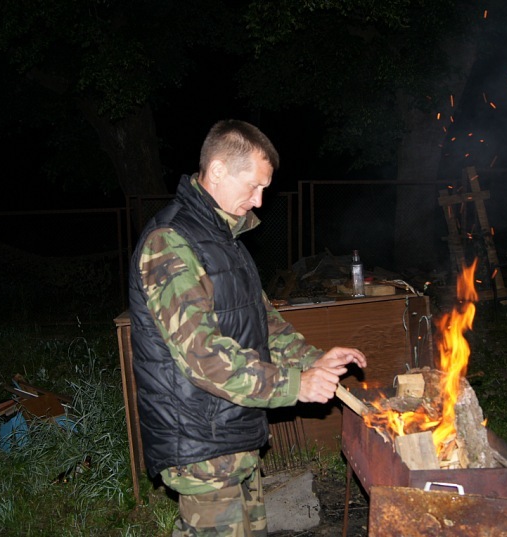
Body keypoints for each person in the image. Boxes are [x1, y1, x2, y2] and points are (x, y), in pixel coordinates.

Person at [128, 119, 366, 536]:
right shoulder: (171, 242)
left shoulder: (225, 240)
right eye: (254, 186)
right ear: (217, 170)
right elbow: (204, 358)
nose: (259, 201)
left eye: (264, 190)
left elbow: (264, 322)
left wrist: (314, 360)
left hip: (234, 431)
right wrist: (296, 385)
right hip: (201, 443)